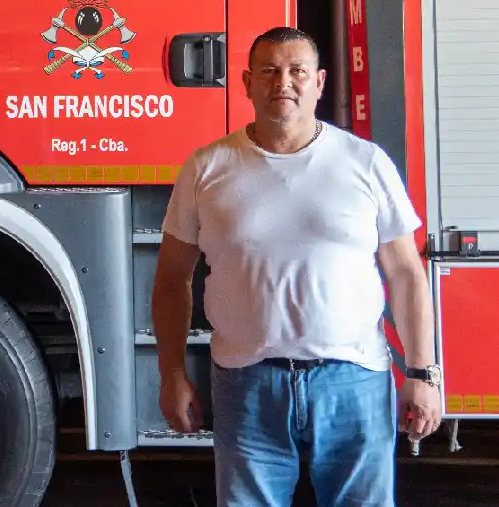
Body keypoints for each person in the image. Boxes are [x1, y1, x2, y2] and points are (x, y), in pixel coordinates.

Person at [151, 26, 443, 506]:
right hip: (247, 386)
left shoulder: (366, 163)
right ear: (246, 82)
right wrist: (172, 373)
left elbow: (406, 272)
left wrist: (424, 372)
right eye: (268, 71)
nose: (282, 82)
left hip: (354, 380)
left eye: (296, 71)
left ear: (319, 82)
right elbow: (170, 280)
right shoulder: (206, 167)